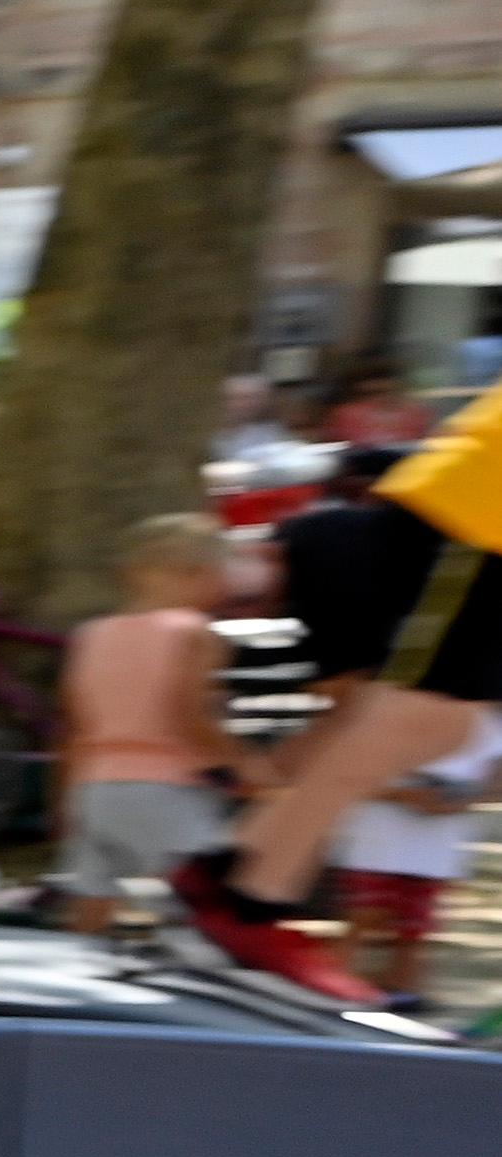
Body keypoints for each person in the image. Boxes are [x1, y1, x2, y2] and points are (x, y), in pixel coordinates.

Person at [177, 387, 502, 989]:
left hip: (474, 517)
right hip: (479, 517)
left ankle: (227, 869)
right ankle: (253, 899)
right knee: (415, 718)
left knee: (435, 722)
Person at [50, 512, 251, 910]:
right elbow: (191, 715)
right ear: (198, 573)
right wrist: (245, 768)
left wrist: (64, 801)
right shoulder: (193, 632)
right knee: (200, 913)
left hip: (95, 788)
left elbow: (73, 728)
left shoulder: (91, 635)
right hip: (168, 791)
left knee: (93, 909)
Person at [327, 726, 495, 1001]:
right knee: (365, 913)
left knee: (415, 924)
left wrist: (460, 801)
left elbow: (493, 782)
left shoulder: (486, 726)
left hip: (437, 844)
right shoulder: (390, 713)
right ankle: (334, 984)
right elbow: (346, 776)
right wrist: (401, 794)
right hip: (378, 837)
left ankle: (401, 990)